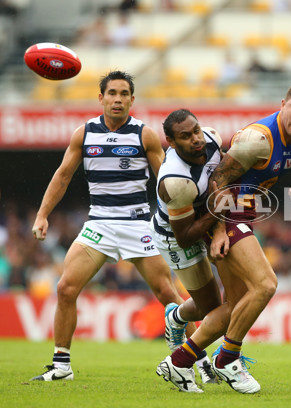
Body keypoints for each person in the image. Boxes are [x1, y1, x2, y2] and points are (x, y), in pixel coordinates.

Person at [160, 82, 291, 395]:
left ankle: (179, 361)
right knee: (266, 284)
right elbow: (218, 178)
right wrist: (217, 230)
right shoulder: (256, 140)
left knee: (234, 306)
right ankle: (228, 358)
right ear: (282, 103)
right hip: (228, 213)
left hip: (246, 213)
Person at [30, 70, 193, 382]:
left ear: (132, 99)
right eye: (112, 93)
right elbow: (63, 176)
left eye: (124, 94)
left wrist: (182, 218)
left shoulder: (144, 135)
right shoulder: (84, 133)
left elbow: (166, 181)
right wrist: (42, 214)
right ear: (100, 98)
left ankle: (197, 360)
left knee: (168, 293)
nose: (117, 99)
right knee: (65, 288)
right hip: (99, 224)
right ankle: (61, 365)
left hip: (137, 224)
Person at [152, 109, 231, 392]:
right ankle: (179, 334)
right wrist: (216, 205)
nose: (196, 139)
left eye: (196, 130)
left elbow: (222, 178)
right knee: (212, 310)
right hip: (175, 238)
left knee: (223, 307)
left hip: (206, 222)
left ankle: (177, 320)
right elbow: (184, 237)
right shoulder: (175, 181)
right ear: (171, 142)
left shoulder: (212, 137)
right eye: (185, 136)